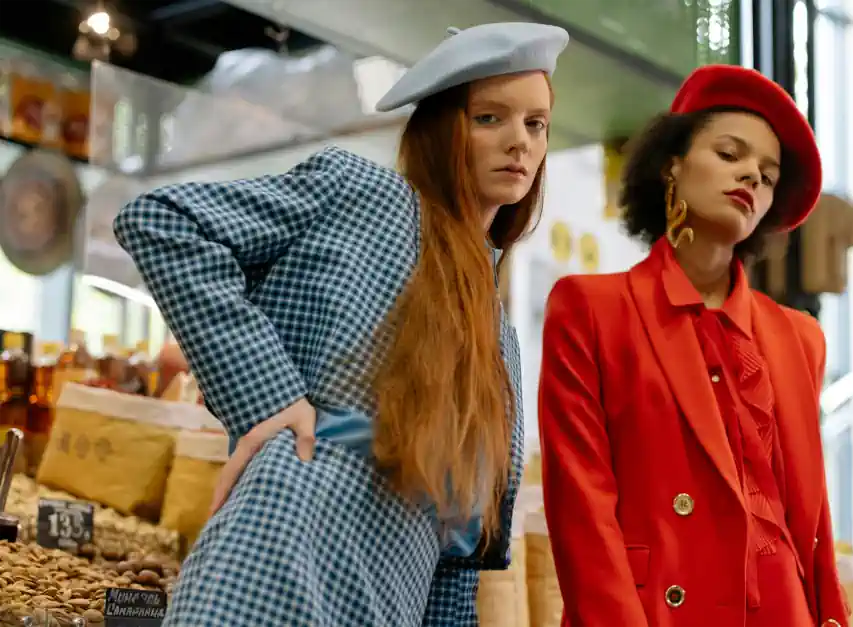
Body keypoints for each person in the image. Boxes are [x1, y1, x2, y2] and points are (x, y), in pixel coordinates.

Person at [113, 22, 568, 627]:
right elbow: (163, 222)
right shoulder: (366, 196)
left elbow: (456, 563)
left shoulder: (500, 335)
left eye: (535, 123)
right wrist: (269, 401)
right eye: (490, 118)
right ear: (441, 130)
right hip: (272, 571)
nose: (520, 142)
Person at [538, 65, 850, 627]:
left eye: (769, 174)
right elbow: (583, 510)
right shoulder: (590, 309)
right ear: (671, 166)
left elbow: (813, 524)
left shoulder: (800, 339)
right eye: (731, 154)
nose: (752, 175)